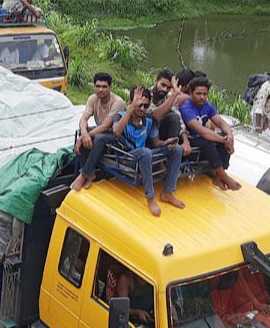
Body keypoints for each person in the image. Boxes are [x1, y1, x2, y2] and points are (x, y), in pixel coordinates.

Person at [103, 87, 185, 217]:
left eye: (145, 106)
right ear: (131, 103)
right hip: (127, 157)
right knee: (145, 152)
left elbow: (156, 142)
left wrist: (165, 143)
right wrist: (131, 108)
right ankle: (150, 197)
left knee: (177, 148)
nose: (142, 109)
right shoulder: (121, 116)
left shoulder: (148, 120)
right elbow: (116, 131)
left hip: (144, 155)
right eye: (139, 105)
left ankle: (168, 192)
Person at [180, 76, 241, 191]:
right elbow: (201, 131)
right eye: (198, 93)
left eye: (205, 94)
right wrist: (223, 140)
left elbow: (221, 123)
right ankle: (224, 176)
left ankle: (219, 176)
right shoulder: (186, 108)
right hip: (189, 139)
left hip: (202, 138)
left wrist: (229, 136)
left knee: (223, 135)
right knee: (208, 142)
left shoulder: (207, 106)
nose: (202, 97)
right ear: (191, 93)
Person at [71, 73, 127, 191]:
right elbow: (83, 119)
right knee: (83, 133)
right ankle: (90, 173)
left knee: (98, 138)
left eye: (104, 86)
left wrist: (86, 136)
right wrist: (84, 134)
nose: (100, 89)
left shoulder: (118, 102)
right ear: (94, 87)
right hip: (103, 132)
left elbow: (106, 126)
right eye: (98, 86)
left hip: (118, 135)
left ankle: (83, 175)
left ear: (110, 87)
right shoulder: (93, 98)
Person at [150, 69, 192, 156]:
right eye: (163, 85)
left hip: (161, 132)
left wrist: (186, 141)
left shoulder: (169, 96)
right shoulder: (147, 95)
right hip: (147, 135)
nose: (165, 89)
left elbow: (179, 118)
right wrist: (174, 94)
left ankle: (171, 151)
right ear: (156, 81)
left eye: (169, 87)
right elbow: (155, 115)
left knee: (174, 117)